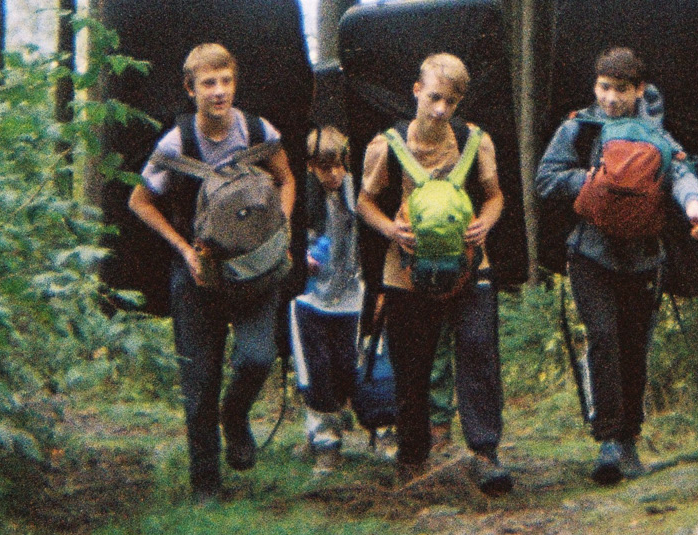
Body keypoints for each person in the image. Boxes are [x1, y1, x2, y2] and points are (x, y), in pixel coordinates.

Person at [535, 46, 698, 486]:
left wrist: (695, 208)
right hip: (590, 253)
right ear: (595, 86)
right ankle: (608, 441)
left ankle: (629, 437)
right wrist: (594, 182)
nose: (611, 97)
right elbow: (546, 178)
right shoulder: (579, 128)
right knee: (603, 339)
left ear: (639, 90)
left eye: (620, 89)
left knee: (635, 347)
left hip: (644, 256)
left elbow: (681, 173)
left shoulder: (656, 134)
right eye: (604, 87)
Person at [129, 43, 298, 500]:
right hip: (199, 277)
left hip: (256, 272)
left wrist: (278, 228)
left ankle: (236, 416)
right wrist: (184, 250)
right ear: (190, 89)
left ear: (235, 83)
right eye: (208, 84)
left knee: (258, 358)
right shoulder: (177, 143)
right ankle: (206, 482)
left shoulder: (259, 130)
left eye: (226, 81)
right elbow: (139, 201)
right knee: (199, 382)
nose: (219, 92)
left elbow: (286, 178)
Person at [357, 53, 513, 494]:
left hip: (470, 266)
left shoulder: (473, 141)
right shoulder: (385, 145)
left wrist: (487, 220)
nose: (442, 108)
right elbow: (364, 202)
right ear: (417, 92)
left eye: (452, 100)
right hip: (406, 272)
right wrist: (390, 228)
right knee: (412, 366)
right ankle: (413, 458)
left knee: (479, 351)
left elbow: (495, 195)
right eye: (434, 97)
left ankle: (485, 453)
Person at [292, 126, 364, 473]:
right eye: (325, 167)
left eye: (339, 166)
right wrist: (298, 257)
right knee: (316, 369)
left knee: (348, 367)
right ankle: (324, 442)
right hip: (310, 297)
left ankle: (352, 426)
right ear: (310, 166)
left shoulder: (356, 193)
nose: (333, 174)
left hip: (350, 297)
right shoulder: (302, 198)